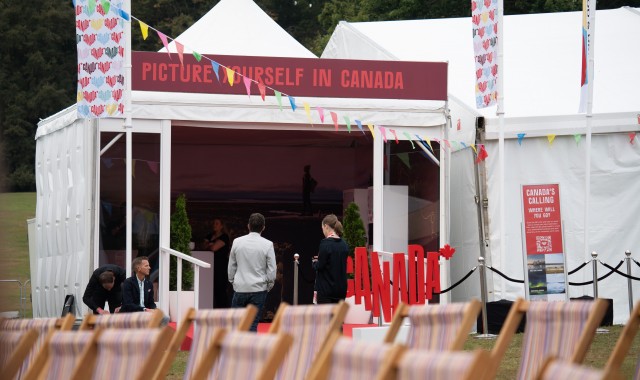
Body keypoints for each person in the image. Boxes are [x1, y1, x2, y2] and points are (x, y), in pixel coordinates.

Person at [228, 213, 276, 331]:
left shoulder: (237, 242)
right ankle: (251, 349)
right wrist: (268, 285)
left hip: (240, 288)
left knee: (237, 325)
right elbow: (272, 269)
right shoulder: (268, 244)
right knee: (252, 325)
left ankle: (236, 348)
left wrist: (233, 281)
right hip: (258, 289)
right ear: (263, 227)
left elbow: (231, 266)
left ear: (248, 226)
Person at [312, 214, 348, 304]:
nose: (323, 231)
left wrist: (314, 262)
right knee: (338, 318)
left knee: (326, 318)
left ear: (326, 226)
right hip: (341, 291)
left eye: (323, 228)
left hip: (326, 291)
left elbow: (320, 266)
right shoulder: (344, 244)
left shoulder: (325, 243)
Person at [204, 218, 232, 308]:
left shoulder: (224, 237)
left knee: (220, 290)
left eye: (217, 223)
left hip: (221, 267)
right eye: (214, 223)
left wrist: (210, 244)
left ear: (221, 226)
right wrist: (210, 244)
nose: (214, 225)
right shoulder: (209, 235)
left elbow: (214, 248)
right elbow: (203, 246)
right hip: (209, 267)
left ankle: (224, 311)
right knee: (211, 290)